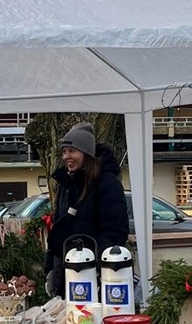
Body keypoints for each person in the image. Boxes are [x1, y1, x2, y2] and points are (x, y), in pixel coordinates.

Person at [44, 121, 130, 297]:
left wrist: (90, 262)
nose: (66, 156)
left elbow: (115, 231)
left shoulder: (107, 183)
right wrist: (51, 269)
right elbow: (59, 230)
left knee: (88, 315)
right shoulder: (66, 185)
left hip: (95, 277)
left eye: (72, 151)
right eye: (64, 151)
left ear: (86, 153)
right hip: (67, 273)